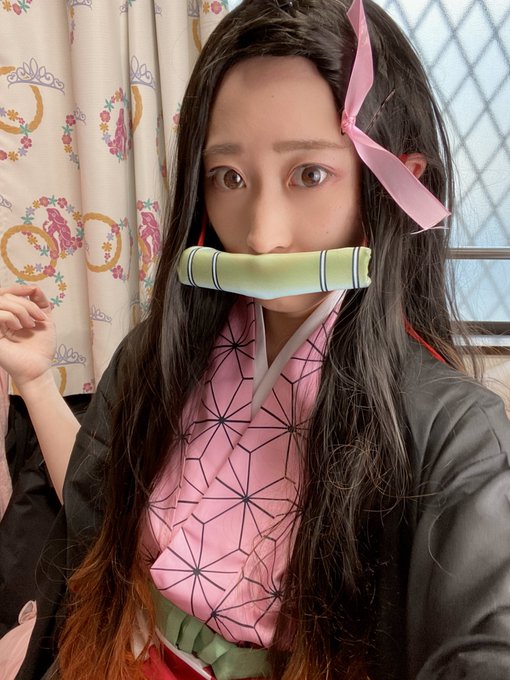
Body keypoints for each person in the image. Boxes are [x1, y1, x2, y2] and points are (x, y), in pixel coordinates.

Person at [0, 0, 509, 678]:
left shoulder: (456, 433)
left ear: (393, 186)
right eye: (230, 178)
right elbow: (94, 523)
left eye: (309, 174)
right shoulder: (155, 356)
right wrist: (35, 380)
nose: (263, 235)